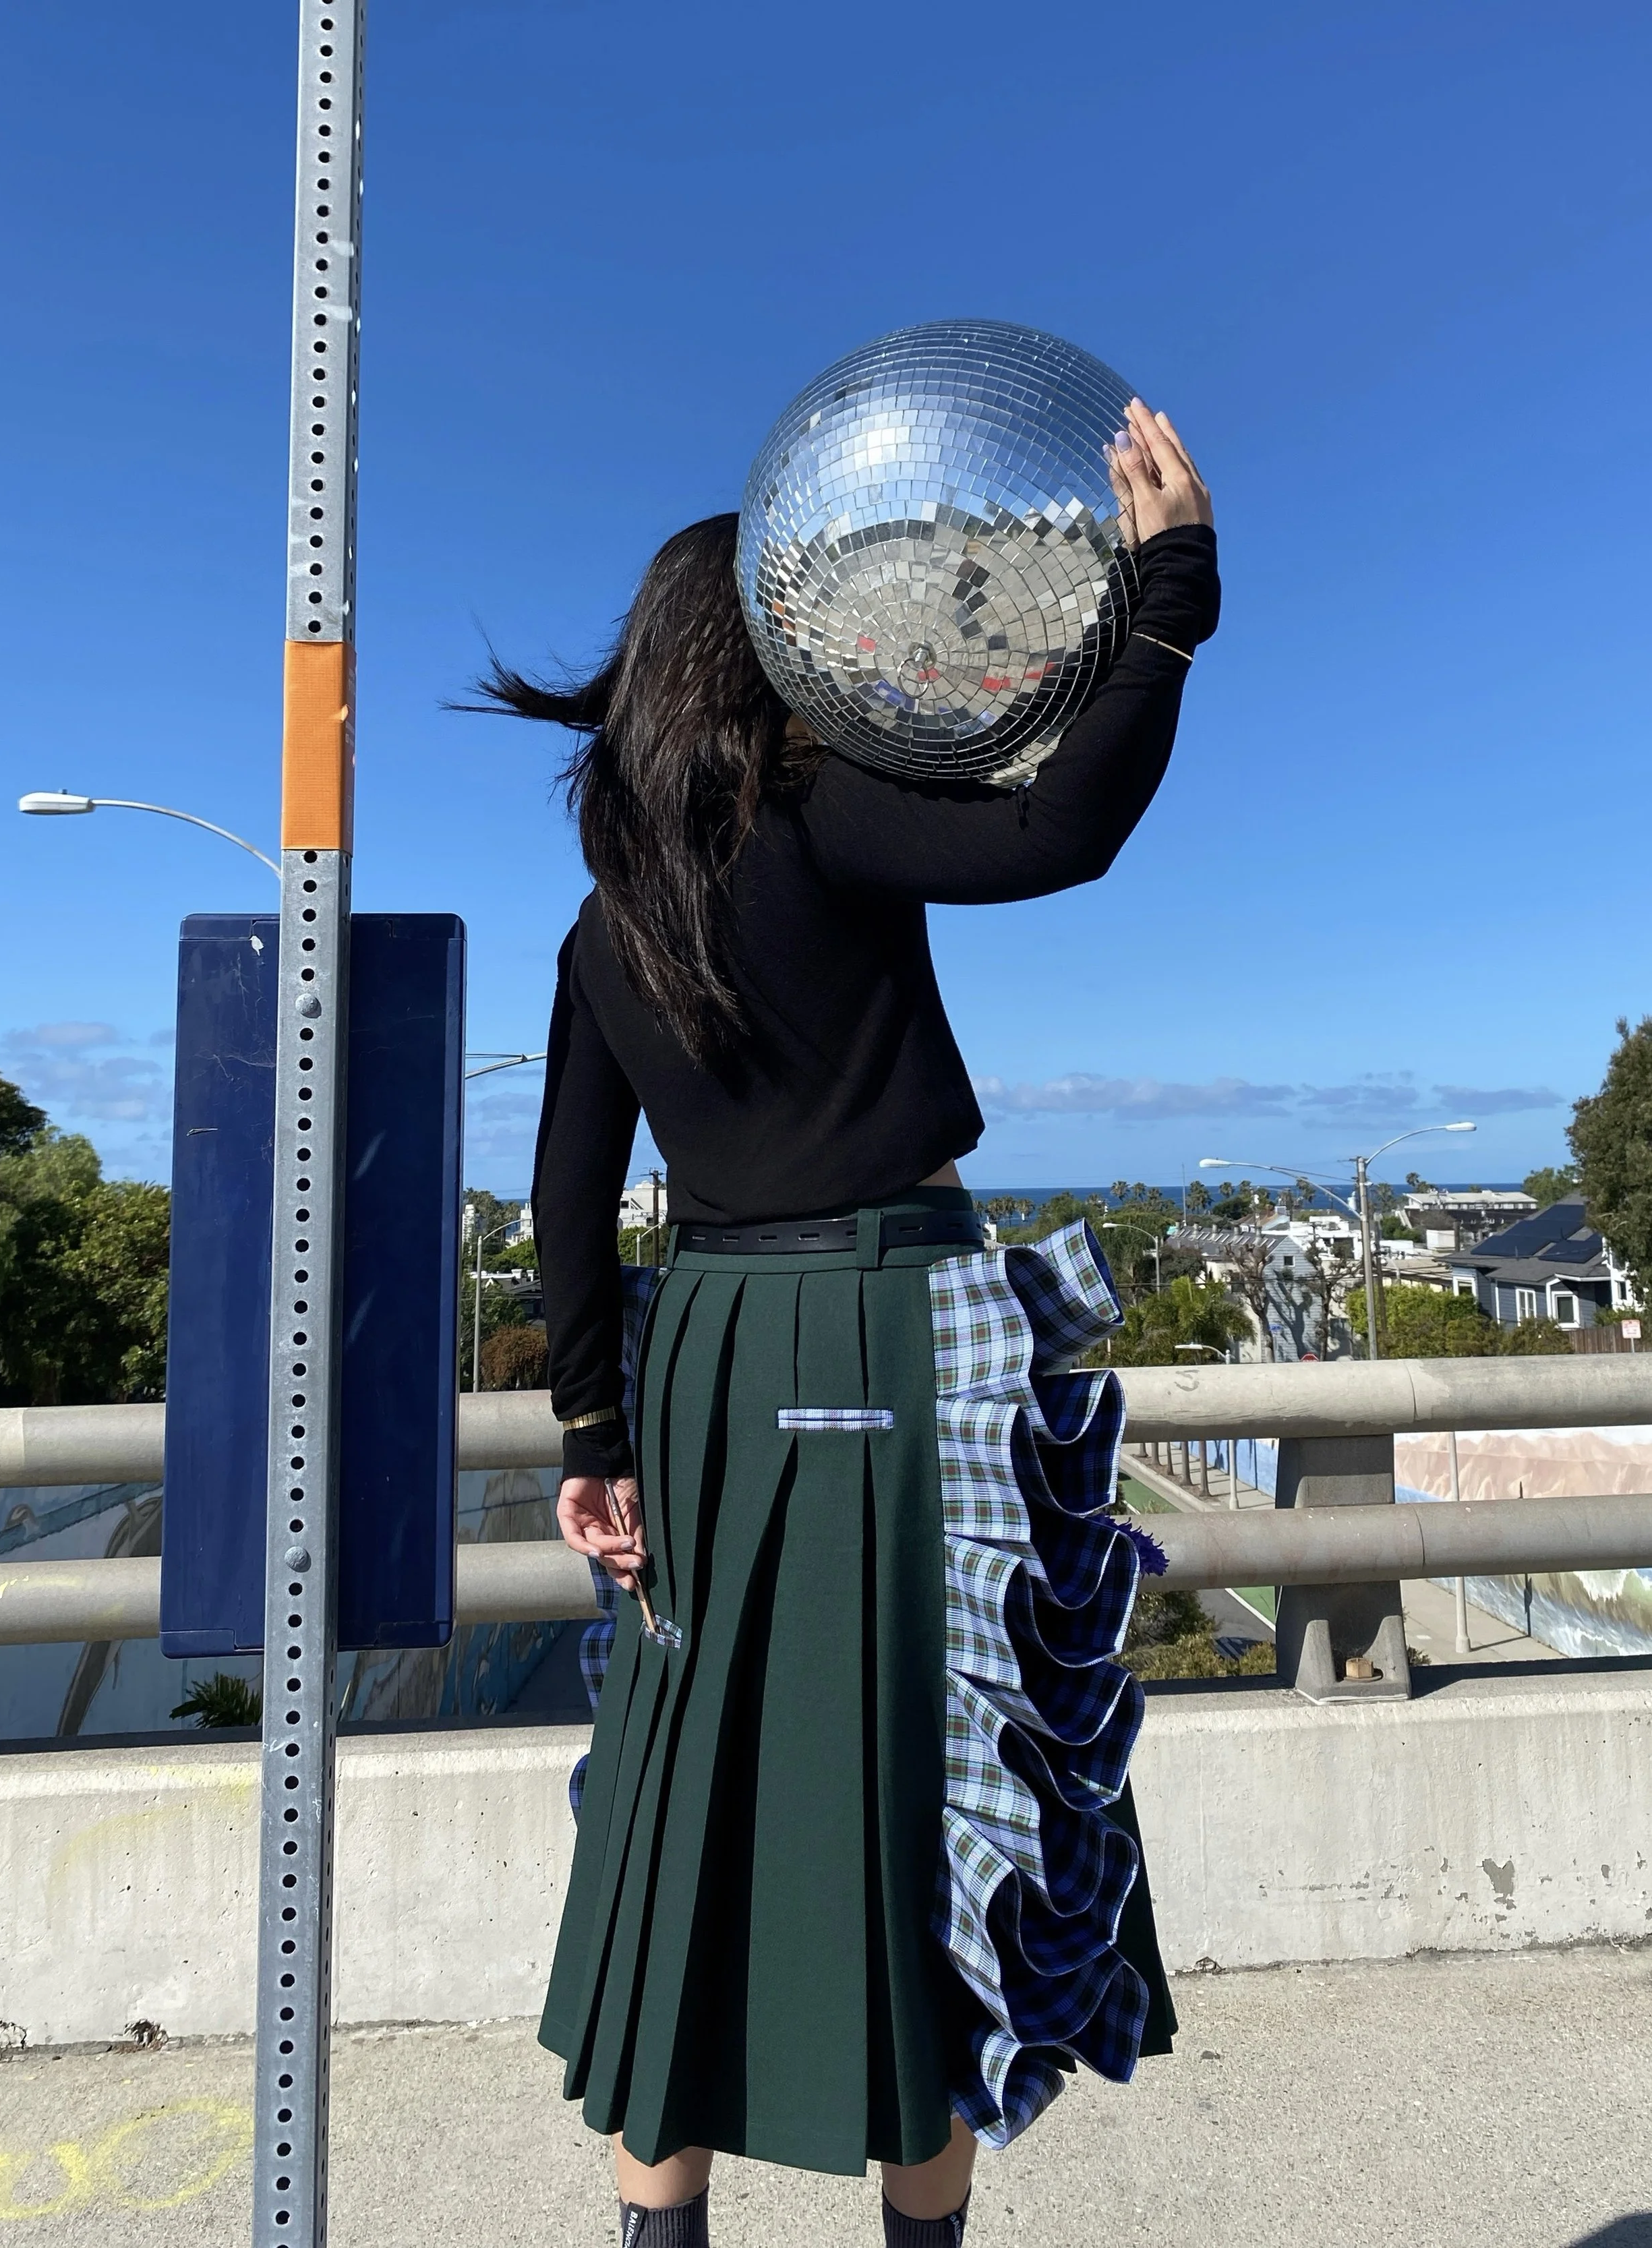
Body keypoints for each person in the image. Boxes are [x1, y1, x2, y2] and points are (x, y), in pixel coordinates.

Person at [475, 398, 1217, 2247]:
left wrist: (592, 1439)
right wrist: (1169, 602)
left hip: (712, 1357)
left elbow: (570, 1203)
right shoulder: (810, 806)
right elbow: (1061, 828)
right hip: (895, 1334)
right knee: (914, 1790)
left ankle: (662, 2228)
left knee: (686, 1798)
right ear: (757, 654)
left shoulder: (602, 917)